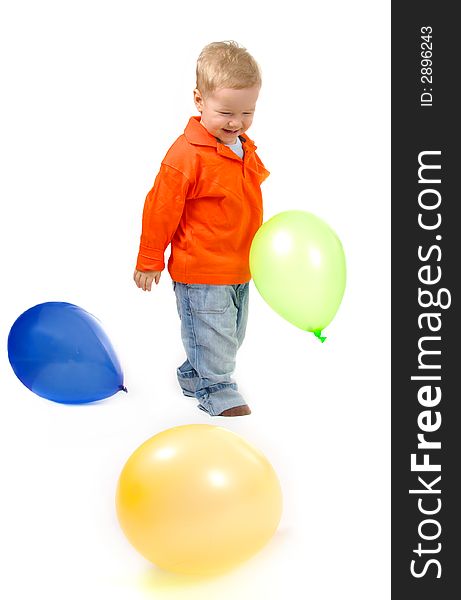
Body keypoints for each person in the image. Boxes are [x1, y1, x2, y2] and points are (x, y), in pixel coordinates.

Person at [133, 41, 269, 417]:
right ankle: (216, 388)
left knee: (231, 335)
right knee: (216, 335)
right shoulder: (186, 155)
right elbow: (160, 208)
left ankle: (196, 372)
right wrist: (149, 259)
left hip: (239, 265)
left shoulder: (242, 146)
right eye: (225, 112)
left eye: (247, 112)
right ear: (198, 100)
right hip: (202, 268)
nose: (236, 122)